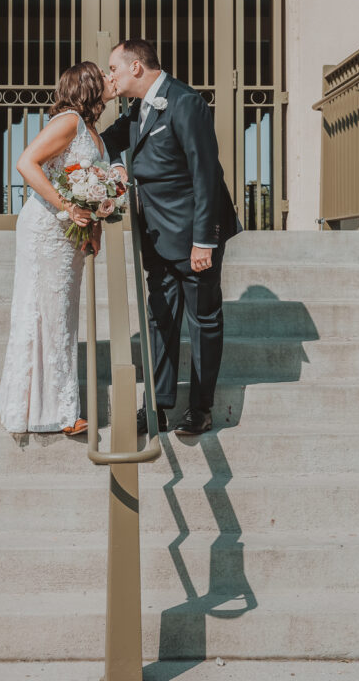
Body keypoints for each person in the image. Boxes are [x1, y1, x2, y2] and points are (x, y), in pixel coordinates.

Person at [102, 38, 237, 436]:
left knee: (203, 321)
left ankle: (201, 408)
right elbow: (107, 142)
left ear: (136, 67)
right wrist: (117, 167)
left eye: (114, 69)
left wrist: (204, 240)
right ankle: (158, 407)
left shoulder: (185, 102)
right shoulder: (137, 108)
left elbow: (205, 173)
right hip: (156, 235)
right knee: (160, 319)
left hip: (194, 234)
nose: (111, 76)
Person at [0, 61, 115, 435]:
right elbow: (26, 163)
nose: (111, 79)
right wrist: (67, 206)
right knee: (48, 316)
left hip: (71, 234)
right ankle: (62, 413)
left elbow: (90, 185)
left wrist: (95, 225)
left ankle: (55, 406)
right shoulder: (68, 121)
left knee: (61, 316)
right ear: (89, 85)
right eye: (104, 75)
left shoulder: (94, 132)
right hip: (46, 229)